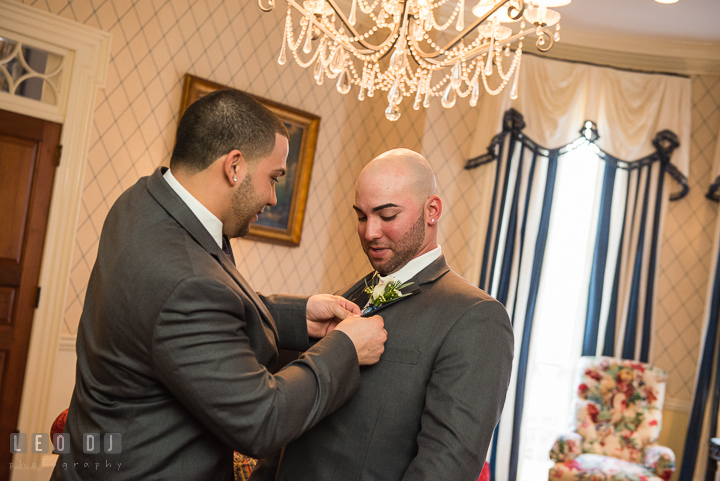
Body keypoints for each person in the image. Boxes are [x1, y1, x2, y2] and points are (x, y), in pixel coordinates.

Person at [51, 89, 387, 480]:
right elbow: (262, 421)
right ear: (235, 167)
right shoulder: (185, 281)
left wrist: (300, 316)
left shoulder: (143, 200)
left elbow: (180, 321)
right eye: (274, 177)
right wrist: (345, 348)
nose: (274, 197)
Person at [253, 148, 514, 481]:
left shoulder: (476, 317)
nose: (370, 232)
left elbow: (445, 468)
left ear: (432, 210)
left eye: (387, 215)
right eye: (361, 216)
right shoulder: (348, 297)